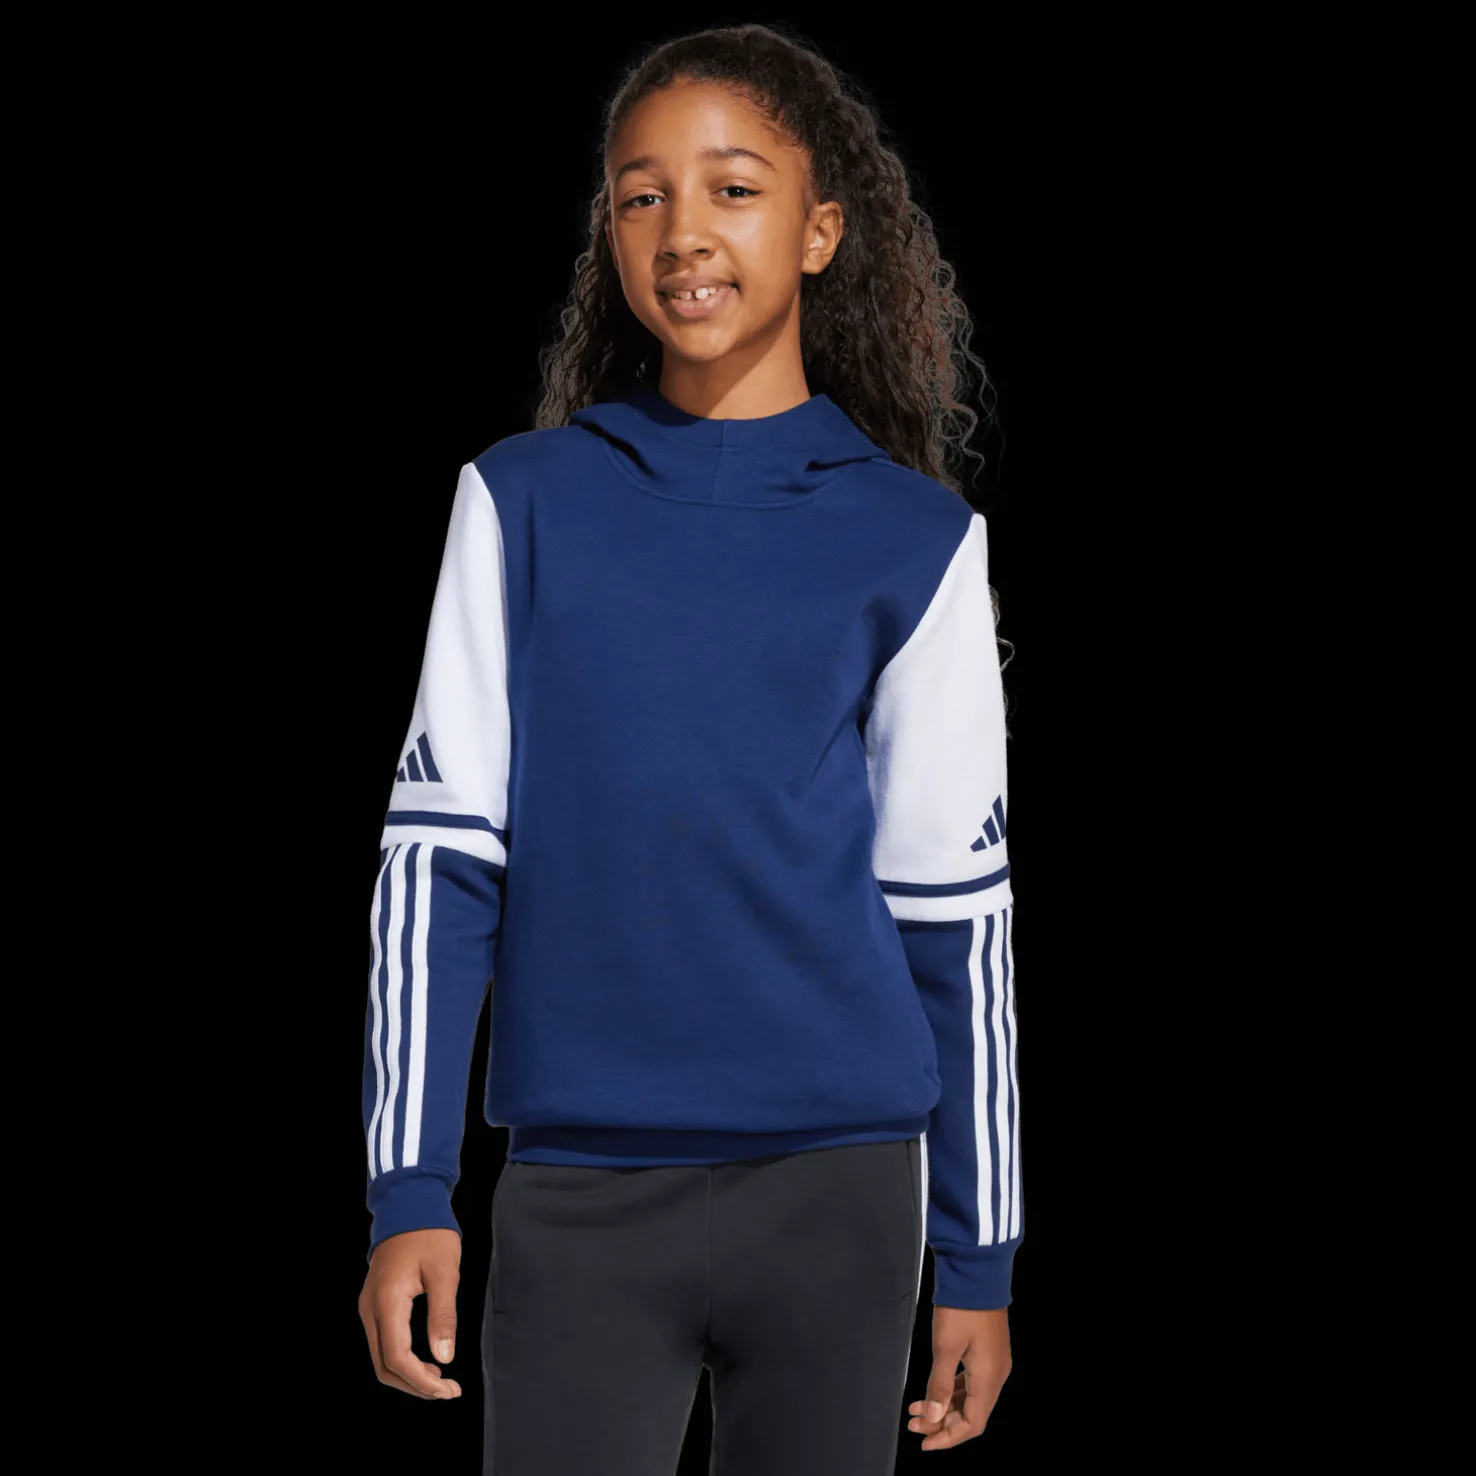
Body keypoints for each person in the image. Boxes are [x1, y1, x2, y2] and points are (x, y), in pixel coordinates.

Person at [357, 21, 1022, 1474]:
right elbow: (437, 869)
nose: (682, 233)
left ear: (821, 230)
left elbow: (955, 922)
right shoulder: (521, 503)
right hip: (578, 1197)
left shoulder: (918, 541)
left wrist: (980, 1257)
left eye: (732, 188)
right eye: (641, 196)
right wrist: (409, 1189)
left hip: (843, 1191)